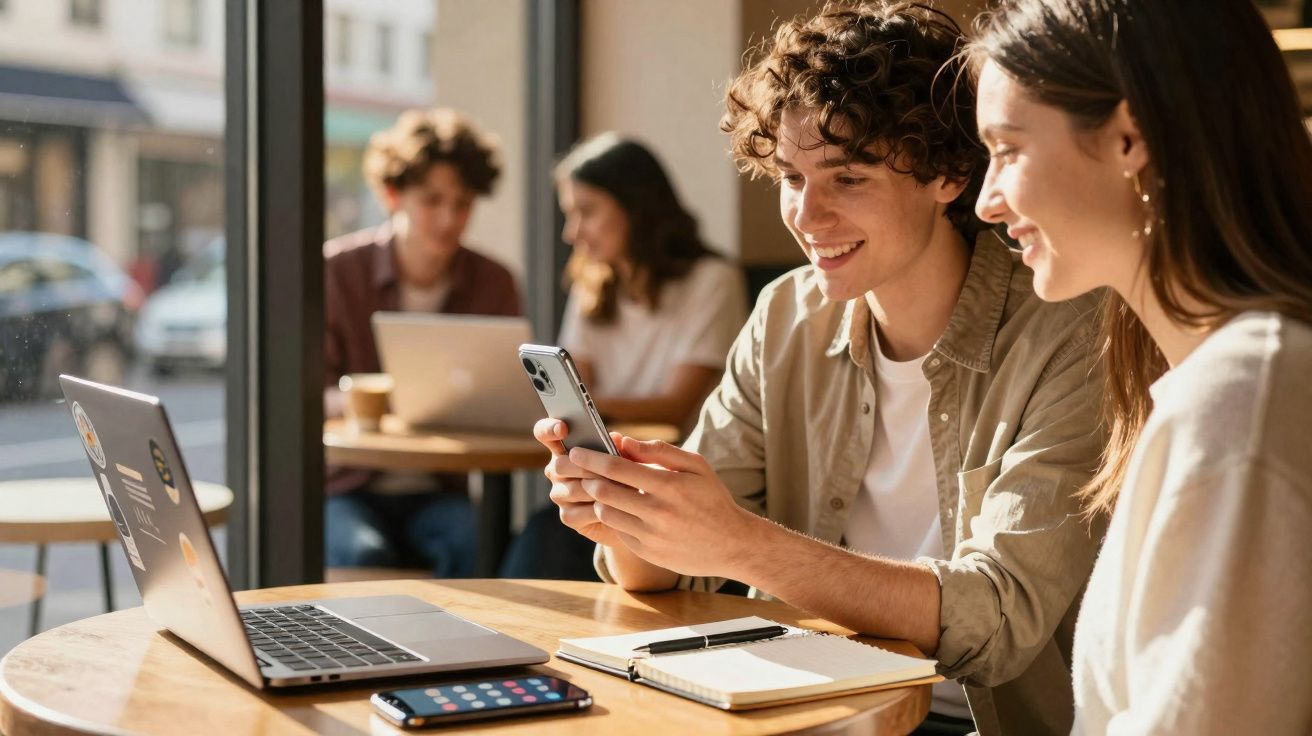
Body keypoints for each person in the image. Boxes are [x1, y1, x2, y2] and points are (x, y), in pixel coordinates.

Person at [535, 4, 1106, 734]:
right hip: (799, 709)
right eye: (791, 177)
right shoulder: (786, 317)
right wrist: (625, 513)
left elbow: (997, 620)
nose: (808, 215)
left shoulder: (1066, 331)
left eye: (849, 177)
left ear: (949, 174)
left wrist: (738, 542)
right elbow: (674, 573)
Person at [971, 1, 1312, 733]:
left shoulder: (1245, 397)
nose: (987, 201)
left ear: (1131, 136)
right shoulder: (1221, 381)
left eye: (1007, 150)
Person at [499, 133, 747, 580]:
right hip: (605, 478)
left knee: (545, 546)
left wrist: (590, 408)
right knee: (540, 537)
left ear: (636, 206)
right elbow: (583, 385)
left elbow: (676, 407)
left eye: (587, 212)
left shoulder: (712, 281)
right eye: (570, 214)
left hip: (670, 485)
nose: (572, 233)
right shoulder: (591, 285)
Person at [323, 107, 522, 578]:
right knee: (362, 557)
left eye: (463, 202)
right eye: (432, 200)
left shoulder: (494, 282)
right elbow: (309, 392)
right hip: (346, 486)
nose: (450, 218)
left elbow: (507, 398)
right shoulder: (337, 271)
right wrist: (390, 398)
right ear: (393, 195)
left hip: (440, 489)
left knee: (476, 546)